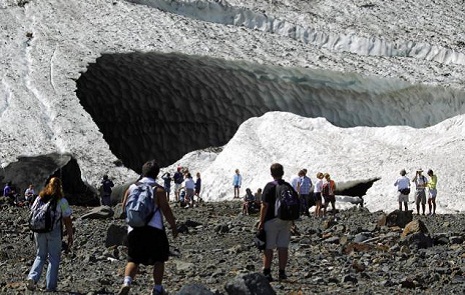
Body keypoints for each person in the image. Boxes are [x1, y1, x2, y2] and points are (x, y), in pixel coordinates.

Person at [118, 160, 178, 295]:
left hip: (134, 229)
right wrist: (173, 226)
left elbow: (123, 208)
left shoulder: (131, 188)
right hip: (154, 230)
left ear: (142, 172)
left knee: (133, 259)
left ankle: (127, 282)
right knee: (159, 259)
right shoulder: (159, 190)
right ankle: (157, 288)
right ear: (156, 174)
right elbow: (166, 210)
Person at [26, 177, 73, 292]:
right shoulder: (62, 201)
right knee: (53, 258)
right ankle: (50, 286)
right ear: (60, 187)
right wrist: (70, 235)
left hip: (38, 230)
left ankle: (32, 277)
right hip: (54, 231)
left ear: (48, 186)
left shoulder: (40, 198)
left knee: (40, 255)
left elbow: (32, 212)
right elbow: (67, 219)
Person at [257, 163, 294, 282]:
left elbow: (264, 205)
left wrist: (261, 221)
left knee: (269, 247)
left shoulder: (269, 186)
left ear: (271, 173)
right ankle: (282, 273)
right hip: (286, 220)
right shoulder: (288, 186)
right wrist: (292, 221)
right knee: (283, 246)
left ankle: (267, 271)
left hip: (271, 220)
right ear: (282, 173)